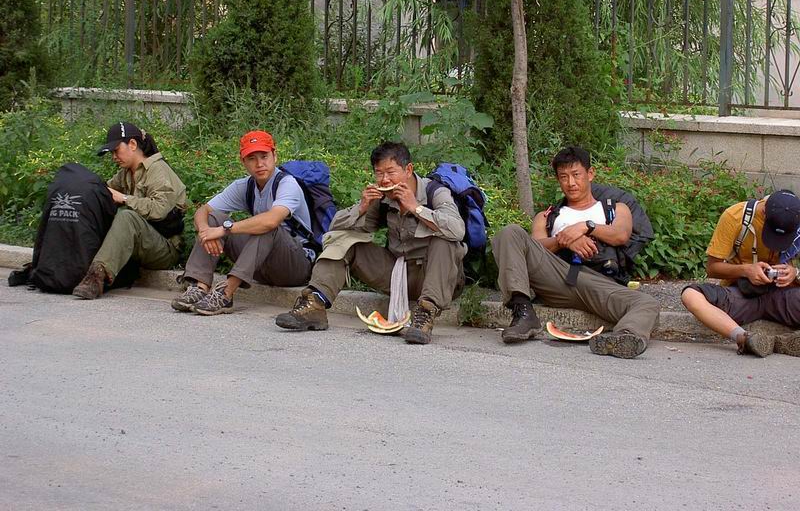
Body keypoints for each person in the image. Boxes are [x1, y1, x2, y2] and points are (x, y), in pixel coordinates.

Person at [274, 141, 466, 345]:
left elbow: (457, 230)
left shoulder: (436, 192)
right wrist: (362, 207)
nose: (385, 180)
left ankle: (425, 314)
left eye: (390, 172)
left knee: (445, 241)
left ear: (408, 170)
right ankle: (314, 303)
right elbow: (335, 227)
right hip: (398, 275)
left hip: (438, 277)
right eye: (379, 173)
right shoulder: (382, 198)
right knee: (345, 238)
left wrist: (416, 208)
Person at [491, 146, 659, 359]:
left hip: (600, 283)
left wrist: (585, 227)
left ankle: (625, 337)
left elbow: (621, 235)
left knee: (646, 303)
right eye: (563, 177)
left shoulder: (615, 208)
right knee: (509, 232)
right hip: (560, 277)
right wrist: (564, 241)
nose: (570, 183)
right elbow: (531, 248)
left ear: (590, 174)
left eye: (576, 174)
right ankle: (523, 312)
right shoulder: (548, 216)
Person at [171, 130, 313, 315]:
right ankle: (200, 287)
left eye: (264, 156)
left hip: (294, 266)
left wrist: (224, 230)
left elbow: (271, 221)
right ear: (243, 161)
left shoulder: (287, 184)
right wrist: (205, 231)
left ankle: (225, 294)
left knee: (267, 227)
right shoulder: (245, 186)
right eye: (252, 158)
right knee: (214, 218)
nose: (259, 164)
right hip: (260, 265)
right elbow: (203, 211)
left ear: (275, 156)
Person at [72, 122, 187, 299]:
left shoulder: (158, 170)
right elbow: (105, 192)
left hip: (166, 249)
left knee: (127, 217)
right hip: (142, 244)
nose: (114, 157)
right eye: (111, 153)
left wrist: (124, 198)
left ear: (132, 144)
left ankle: (96, 277)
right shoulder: (126, 173)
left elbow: (159, 210)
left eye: (116, 150)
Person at [681, 190, 800, 357]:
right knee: (690, 295)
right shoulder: (735, 216)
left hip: (783, 295)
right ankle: (744, 338)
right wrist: (745, 270)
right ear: (764, 211)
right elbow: (712, 268)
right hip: (742, 293)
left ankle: (783, 342)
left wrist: (795, 272)